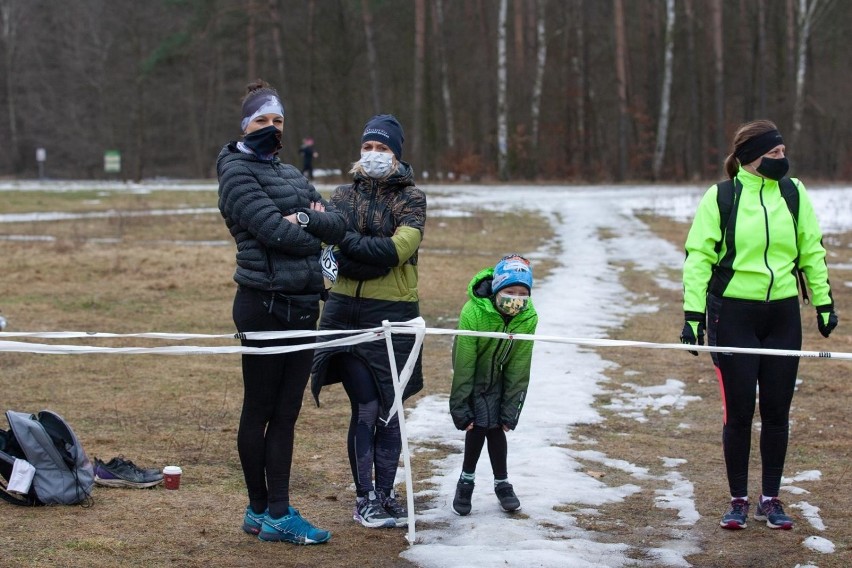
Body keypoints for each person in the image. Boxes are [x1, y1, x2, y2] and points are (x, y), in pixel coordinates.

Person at [680, 119, 838, 531]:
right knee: (739, 413)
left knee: (776, 412)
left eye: (784, 153)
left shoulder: (793, 192)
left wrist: (823, 303)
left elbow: (811, 250)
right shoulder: (723, 197)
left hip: (782, 315)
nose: (783, 160)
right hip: (732, 315)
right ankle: (737, 500)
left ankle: (770, 499)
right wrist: (693, 314)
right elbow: (699, 256)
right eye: (775, 154)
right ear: (752, 157)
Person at [217, 80, 346, 545]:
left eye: (278, 122)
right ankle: (263, 510)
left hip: (302, 304)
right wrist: (304, 223)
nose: (271, 129)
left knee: (287, 414)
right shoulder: (235, 172)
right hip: (263, 304)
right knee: (260, 410)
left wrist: (307, 218)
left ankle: (277, 509)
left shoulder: (290, 172)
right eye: (262, 121)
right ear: (244, 124)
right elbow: (274, 232)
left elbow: (336, 224)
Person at [311, 114, 426, 529]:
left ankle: (386, 493)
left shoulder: (412, 199)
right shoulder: (340, 195)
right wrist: (352, 248)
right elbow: (326, 249)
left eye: (383, 148)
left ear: (397, 153)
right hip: (343, 313)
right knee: (366, 406)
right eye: (368, 147)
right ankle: (365, 499)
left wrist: (349, 244)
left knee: (390, 411)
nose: (373, 154)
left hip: (393, 316)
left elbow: (397, 250)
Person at [449, 254, 538, 516]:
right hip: (473, 376)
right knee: (477, 425)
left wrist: (513, 408)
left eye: (523, 293)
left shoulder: (528, 317)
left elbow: (519, 366)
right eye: (510, 291)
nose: (516, 298)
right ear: (498, 287)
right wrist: (460, 406)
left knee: (498, 424)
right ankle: (466, 481)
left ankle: (502, 483)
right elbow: (464, 362)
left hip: (500, 378)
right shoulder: (473, 312)